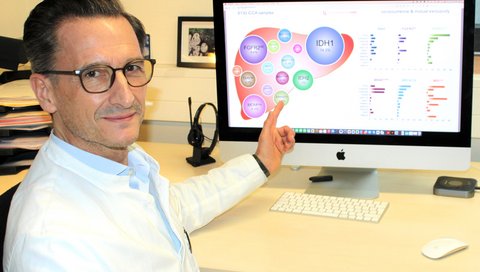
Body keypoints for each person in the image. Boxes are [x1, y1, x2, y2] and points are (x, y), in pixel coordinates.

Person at [2, 0, 295, 271]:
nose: (126, 96)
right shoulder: (54, 248)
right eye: (93, 73)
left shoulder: (116, 158)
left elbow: (173, 206)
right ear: (45, 92)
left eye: (131, 68)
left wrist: (261, 163)